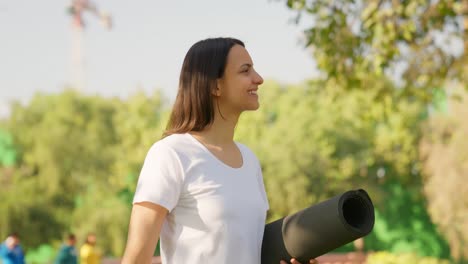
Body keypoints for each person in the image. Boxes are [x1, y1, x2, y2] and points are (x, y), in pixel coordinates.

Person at [121, 37, 318, 264]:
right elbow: (136, 258)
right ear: (214, 85)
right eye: (245, 70)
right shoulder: (170, 154)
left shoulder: (250, 160)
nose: (259, 79)